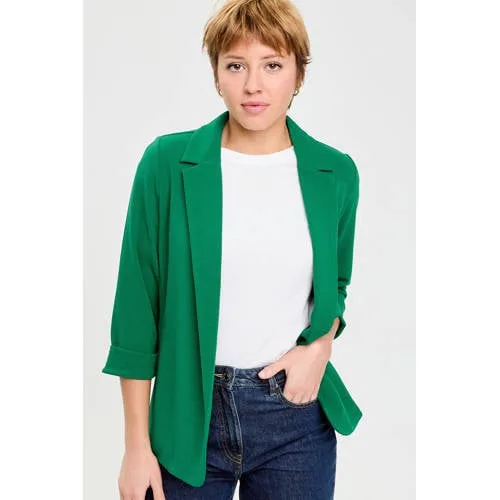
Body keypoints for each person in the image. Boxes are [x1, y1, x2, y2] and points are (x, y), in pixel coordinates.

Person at [101, 0, 362, 498]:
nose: (253, 85)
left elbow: (336, 285)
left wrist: (320, 347)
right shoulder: (166, 164)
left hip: (294, 419)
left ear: (299, 74)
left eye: (273, 65)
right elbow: (136, 309)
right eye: (236, 65)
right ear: (217, 74)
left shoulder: (335, 173)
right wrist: (136, 447)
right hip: (186, 419)